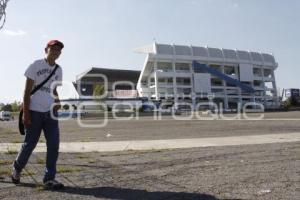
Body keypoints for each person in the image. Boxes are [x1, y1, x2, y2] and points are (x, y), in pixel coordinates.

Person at [12, 40, 64, 190]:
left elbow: (54, 90)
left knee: (54, 145)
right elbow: (27, 91)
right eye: (53, 49)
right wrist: (26, 113)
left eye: (59, 50)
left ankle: (49, 178)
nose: (56, 52)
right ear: (46, 49)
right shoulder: (35, 65)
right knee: (29, 144)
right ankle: (16, 169)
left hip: (50, 112)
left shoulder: (59, 70)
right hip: (34, 111)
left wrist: (57, 102)